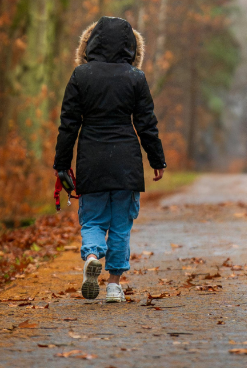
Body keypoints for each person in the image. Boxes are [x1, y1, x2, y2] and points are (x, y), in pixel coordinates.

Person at [54, 16, 166, 303]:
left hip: (91, 160)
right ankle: (114, 285)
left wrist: (62, 165)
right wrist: (157, 159)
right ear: (131, 48)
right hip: (126, 163)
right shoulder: (135, 77)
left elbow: (68, 124)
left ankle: (92, 255)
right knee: (120, 225)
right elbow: (146, 123)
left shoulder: (81, 76)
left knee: (92, 220)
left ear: (91, 43)